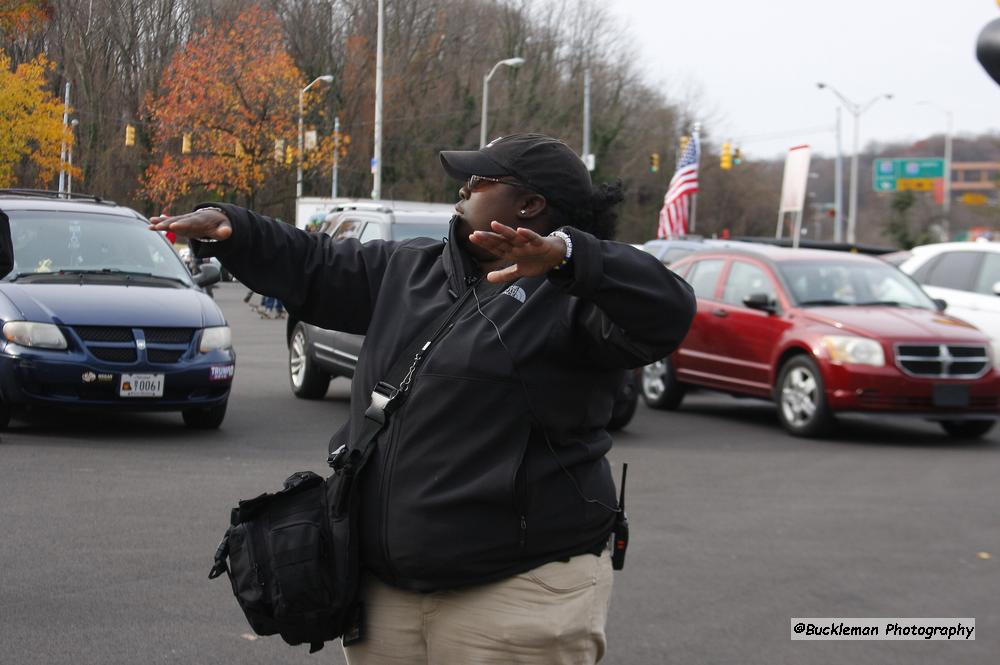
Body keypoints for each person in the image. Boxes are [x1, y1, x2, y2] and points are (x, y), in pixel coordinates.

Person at [149, 133, 696, 664]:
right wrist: (235, 228)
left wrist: (569, 259)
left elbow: (667, 311)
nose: (461, 189)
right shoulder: (413, 268)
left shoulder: (577, 296)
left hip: (516, 595)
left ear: (529, 204)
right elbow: (316, 262)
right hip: (386, 595)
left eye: (478, 179)